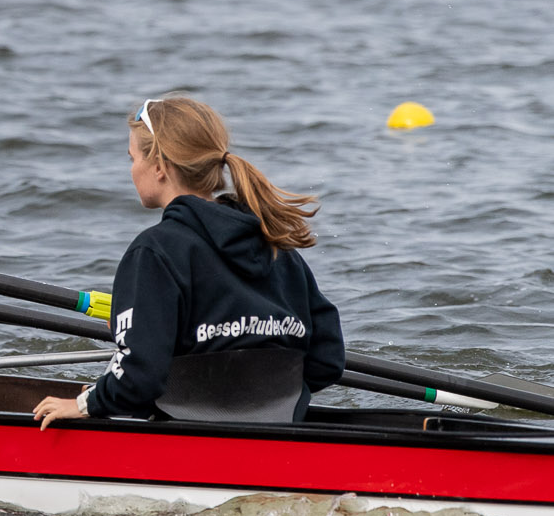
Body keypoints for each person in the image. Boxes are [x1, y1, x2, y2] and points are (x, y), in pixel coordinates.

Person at [33, 96, 343, 427]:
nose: (131, 170)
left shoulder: (153, 253)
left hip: (188, 439)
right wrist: (260, 396)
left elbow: (140, 377)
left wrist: (86, 404)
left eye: (132, 158)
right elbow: (327, 359)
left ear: (159, 167)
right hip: (279, 429)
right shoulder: (278, 247)